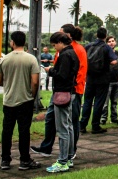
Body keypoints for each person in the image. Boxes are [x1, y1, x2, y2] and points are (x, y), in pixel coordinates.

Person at [31, 24, 86, 161]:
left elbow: (79, 71)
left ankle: (69, 152)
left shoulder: (75, 50)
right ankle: (47, 147)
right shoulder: (63, 50)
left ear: (67, 36)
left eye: (60, 33)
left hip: (69, 90)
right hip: (60, 90)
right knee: (51, 118)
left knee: (69, 122)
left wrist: (75, 88)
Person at [0, 31, 41, 171]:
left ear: (12, 42)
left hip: (9, 100)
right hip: (25, 100)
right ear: (24, 42)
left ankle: (5, 160)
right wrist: (32, 96)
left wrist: (9, 84)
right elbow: (35, 82)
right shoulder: (31, 59)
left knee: (7, 131)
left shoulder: (5, 59)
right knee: (24, 131)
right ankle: (24, 160)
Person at [44, 32, 79, 173]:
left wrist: (50, 70)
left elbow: (62, 75)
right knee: (69, 126)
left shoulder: (65, 55)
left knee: (62, 128)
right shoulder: (73, 52)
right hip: (71, 92)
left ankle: (63, 160)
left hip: (62, 93)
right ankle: (69, 157)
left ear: (60, 42)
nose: (54, 48)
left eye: (54, 45)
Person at [80, 27, 118, 134]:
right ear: (105, 36)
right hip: (103, 79)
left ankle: (82, 125)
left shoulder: (88, 46)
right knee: (98, 102)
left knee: (87, 101)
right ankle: (95, 125)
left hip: (90, 78)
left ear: (96, 35)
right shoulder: (106, 48)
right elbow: (114, 61)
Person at [100, 35, 118, 125]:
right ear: (106, 43)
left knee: (114, 102)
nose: (111, 43)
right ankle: (103, 118)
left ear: (115, 42)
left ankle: (114, 118)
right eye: (109, 41)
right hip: (107, 81)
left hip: (116, 81)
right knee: (105, 102)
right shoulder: (104, 54)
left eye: (113, 41)